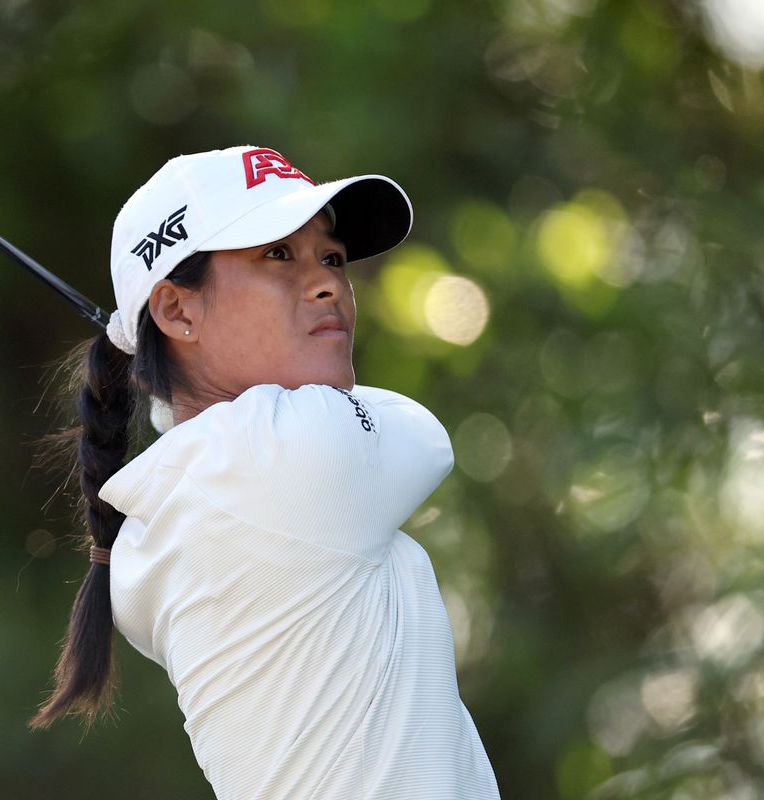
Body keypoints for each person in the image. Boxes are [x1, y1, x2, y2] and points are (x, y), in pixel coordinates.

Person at [29, 145, 501, 800]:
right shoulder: (281, 458)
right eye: (276, 255)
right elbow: (428, 437)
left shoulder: (169, 505)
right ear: (177, 311)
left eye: (331, 258)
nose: (328, 283)